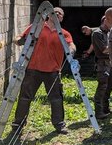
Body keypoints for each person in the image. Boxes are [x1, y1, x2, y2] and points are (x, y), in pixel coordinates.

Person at [10, 7, 74, 136]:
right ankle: (18, 125)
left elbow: (71, 45)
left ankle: (59, 125)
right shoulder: (37, 27)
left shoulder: (64, 33)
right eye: (54, 12)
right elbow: (18, 38)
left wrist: (71, 51)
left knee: (56, 99)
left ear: (62, 18)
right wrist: (19, 40)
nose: (57, 14)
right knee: (25, 98)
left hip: (53, 71)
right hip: (33, 69)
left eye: (60, 13)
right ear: (49, 15)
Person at [91, 16, 112, 119]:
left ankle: (105, 109)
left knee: (109, 87)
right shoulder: (97, 33)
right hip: (102, 64)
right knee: (102, 87)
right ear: (105, 21)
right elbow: (104, 50)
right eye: (111, 22)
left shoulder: (108, 33)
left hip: (110, 63)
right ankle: (98, 112)